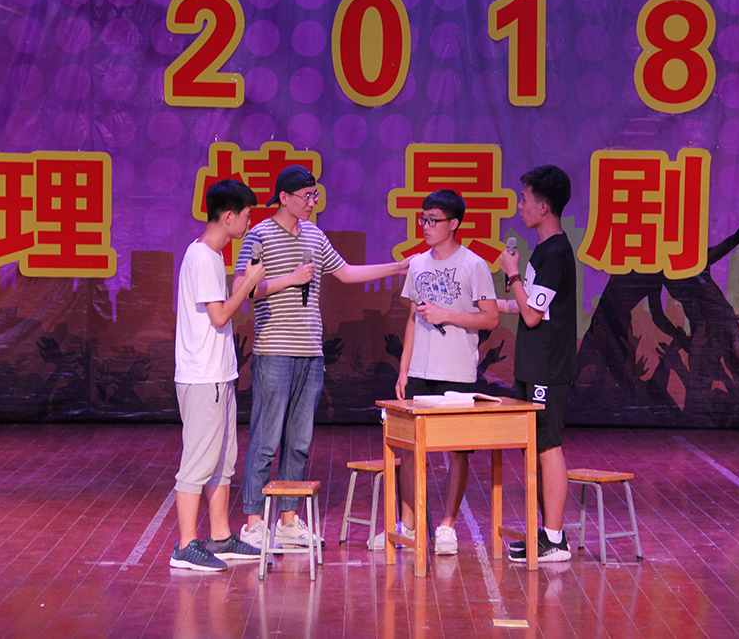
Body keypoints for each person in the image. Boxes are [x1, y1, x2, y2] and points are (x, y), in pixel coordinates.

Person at [233, 165, 411, 549]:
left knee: (299, 441)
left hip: (311, 352)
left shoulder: (314, 234)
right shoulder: (259, 235)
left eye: (315, 195)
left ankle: (288, 520)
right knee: (266, 439)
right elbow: (243, 289)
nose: (313, 202)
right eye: (306, 196)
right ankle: (253, 523)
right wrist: (291, 279)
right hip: (274, 349)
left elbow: (345, 273)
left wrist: (396, 267)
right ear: (284, 197)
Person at [370, 189, 499, 555]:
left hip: (457, 372)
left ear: (453, 223)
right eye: (422, 219)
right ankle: (409, 526)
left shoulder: (473, 265)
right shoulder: (418, 264)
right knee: (411, 451)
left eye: (433, 220)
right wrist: (404, 368)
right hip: (420, 370)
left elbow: (490, 317)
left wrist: (447, 315)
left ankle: (447, 526)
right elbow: (412, 319)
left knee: (457, 452)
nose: (425, 226)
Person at [170, 179, 266, 572]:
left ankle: (222, 537)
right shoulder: (204, 257)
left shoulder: (210, 256)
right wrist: (249, 284)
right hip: (202, 377)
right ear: (228, 217)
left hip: (218, 376)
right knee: (197, 462)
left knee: (223, 461)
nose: (248, 222)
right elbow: (220, 315)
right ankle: (185, 545)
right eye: (246, 215)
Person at [497, 165, 577, 563]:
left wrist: (512, 274)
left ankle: (556, 539)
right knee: (537, 448)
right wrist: (486, 304)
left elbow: (530, 316)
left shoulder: (557, 253)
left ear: (544, 207)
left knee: (549, 446)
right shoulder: (544, 250)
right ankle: (546, 533)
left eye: (524, 199)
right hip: (532, 365)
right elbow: (529, 307)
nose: (520, 205)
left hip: (549, 367)